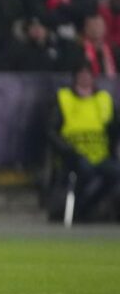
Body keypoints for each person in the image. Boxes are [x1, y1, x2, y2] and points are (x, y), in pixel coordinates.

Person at [47, 64, 120, 220]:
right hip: (73, 155)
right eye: (82, 74)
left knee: (115, 173)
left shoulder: (104, 99)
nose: (85, 78)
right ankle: (77, 209)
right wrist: (68, 150)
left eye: (89, 74)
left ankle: (92, 208)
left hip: (101, 155)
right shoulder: (64, 98)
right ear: (75, 77)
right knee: (84, 171)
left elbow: (114, 128)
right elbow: (51, 131)